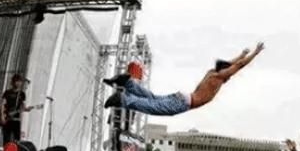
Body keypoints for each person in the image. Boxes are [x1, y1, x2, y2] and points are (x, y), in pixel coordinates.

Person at [103, 43, 265, 115]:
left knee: (153, 99)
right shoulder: (219, 77)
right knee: (153, 106)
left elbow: (230, 63)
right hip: (185, 102)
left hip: (182, 97)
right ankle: (123, 98)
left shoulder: (212, 72)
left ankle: (128, 83)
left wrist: (242, 54)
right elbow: (237, 66)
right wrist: (253, 54)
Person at [0, 74, 28, 144]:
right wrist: (2, 115)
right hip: (8, 119)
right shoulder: (7, 92)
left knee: (16, 140)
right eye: (16, 81)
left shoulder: (22, 94)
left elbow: (24, 105)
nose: (17, 83)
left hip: (16, 119)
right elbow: (2, 104)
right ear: (13, 82)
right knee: (6, 138)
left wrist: (26, 108)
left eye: (19, 81)